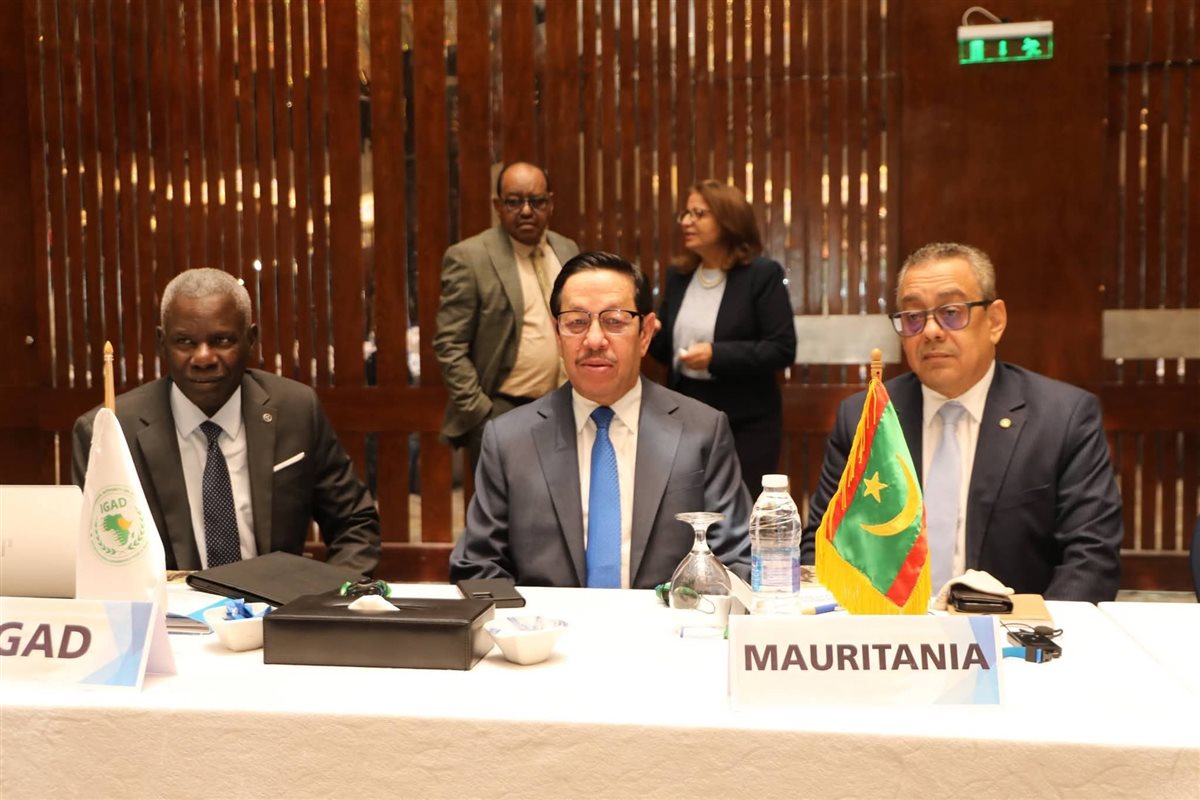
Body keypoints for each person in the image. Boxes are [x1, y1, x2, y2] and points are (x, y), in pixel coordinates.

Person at [802, 242, 1122, 603]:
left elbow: (1091, 558)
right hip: (889, 628)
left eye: (951, 312)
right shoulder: (867, 417)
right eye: (913, 317)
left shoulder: (1063, 417)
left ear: (995, 321)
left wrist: (1036, 631)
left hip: (1014, 630)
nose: (931, 331)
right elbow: (822, 550)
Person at [450, 251, 752, 588]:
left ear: (645, 334)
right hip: (544, 622)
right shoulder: (508, 440)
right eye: (576, 322)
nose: (594, 340)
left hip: (665, 620)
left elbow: (737, 560)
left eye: (615, 321)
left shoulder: (702, 431)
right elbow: (478, 566)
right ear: (557, 333)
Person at [72, 268, 381, 575]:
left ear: (251, 340)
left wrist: (329, 595)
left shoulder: (296, 410)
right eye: (185, 342)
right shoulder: (111, 431)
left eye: (221, 340)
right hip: (167, 605)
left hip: (273, 602)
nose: (203, 358)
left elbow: (354, 522)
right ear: (162, 342)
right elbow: (89, 554)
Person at [649, 179, 796, 494]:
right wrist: (648, 331)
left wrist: (716, 356)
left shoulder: (761, 275)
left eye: (699, 214)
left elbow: (781, 348)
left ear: (728, 220)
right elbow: (666, 351)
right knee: (687, 507)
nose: (686, 222)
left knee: (741, 511)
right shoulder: (679, 276)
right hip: (685, 416)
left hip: (745, 421)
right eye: (685, 214)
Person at [433, 161, 581, 473]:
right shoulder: (470, 257)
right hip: (502, 410)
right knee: (503, 504)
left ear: (551, 204)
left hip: (565, 407)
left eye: (537, 201)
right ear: (498, 206)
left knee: (562, 500)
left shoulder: (566, 249)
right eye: (514, 202)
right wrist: (481, 413)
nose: (526, 211)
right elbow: (449, 345)